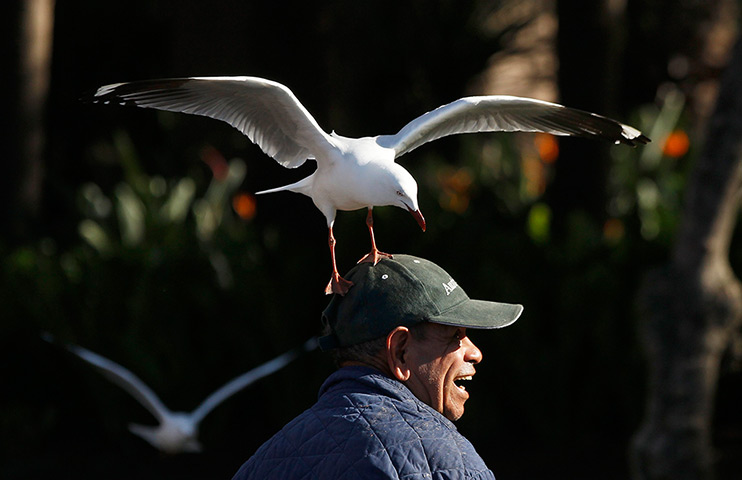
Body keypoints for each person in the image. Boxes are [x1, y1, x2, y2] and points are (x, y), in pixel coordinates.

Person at [231, 254, 523, 479]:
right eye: (455, 336)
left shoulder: (263, 461)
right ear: (400, 351)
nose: (476, 353)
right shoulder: (445, 461)